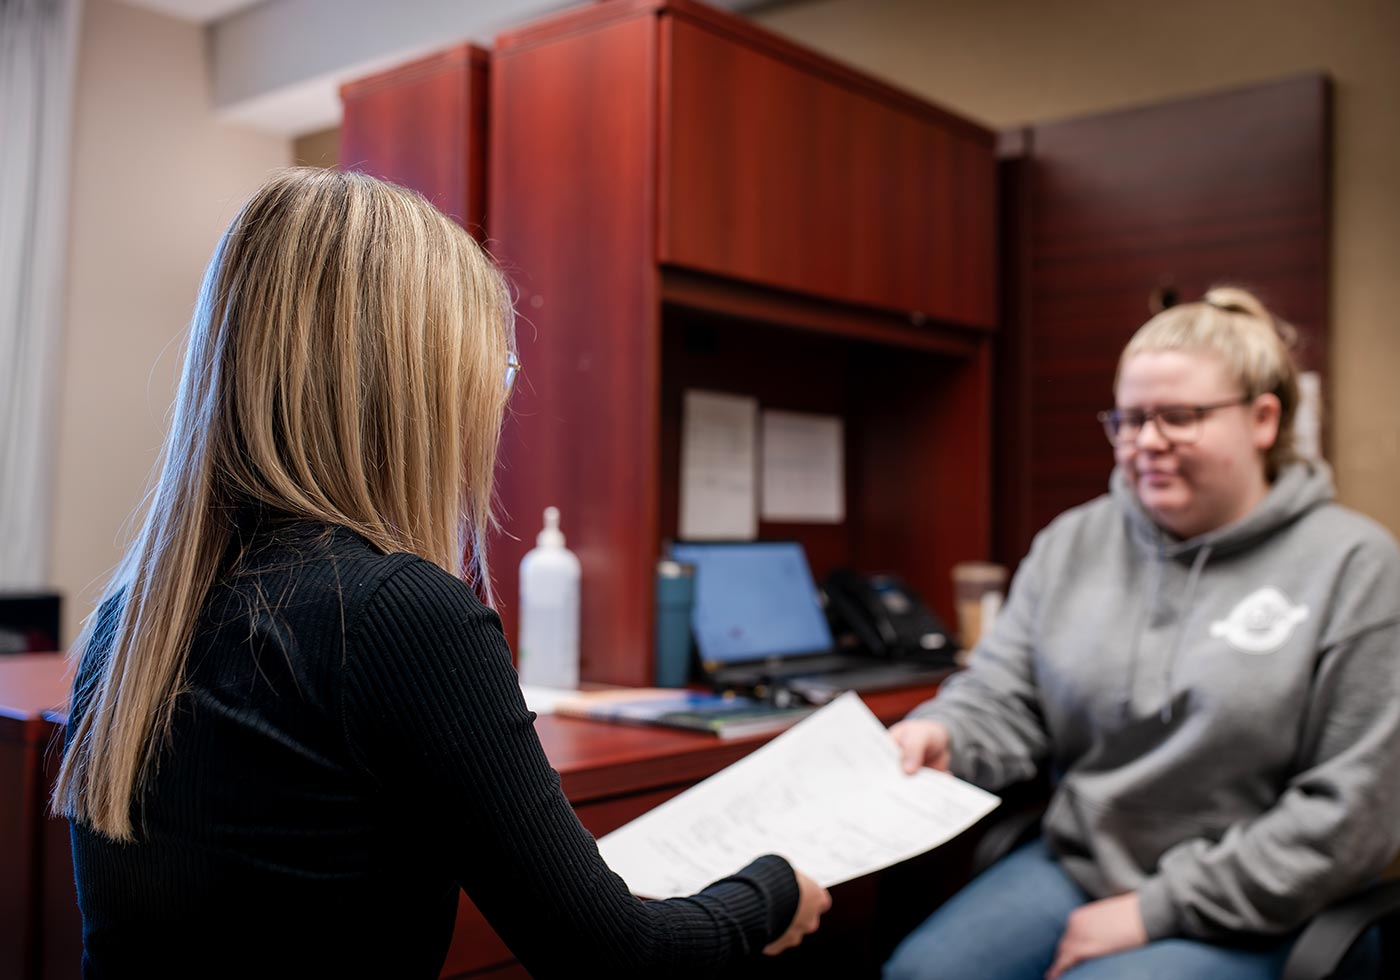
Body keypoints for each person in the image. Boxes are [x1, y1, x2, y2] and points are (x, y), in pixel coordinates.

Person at [53, 168, 829, 979]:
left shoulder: (128, 622)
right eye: (492, 378)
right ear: (417, 393)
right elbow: (618, 959)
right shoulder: (396, 614)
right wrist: (772, 890)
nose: (493, 410)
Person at [884, 287, 1400, 980]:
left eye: (1179, 417)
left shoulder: (1355, 566)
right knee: (921, 974)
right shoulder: (1073, 541)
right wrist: (947, 732)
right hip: (1083, 864)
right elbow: (1005, 695)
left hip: (1264, 898)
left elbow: (1352, 815)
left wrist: (1156, 910)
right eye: (1128, 420)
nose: (1146, 443)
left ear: (1263, 419)